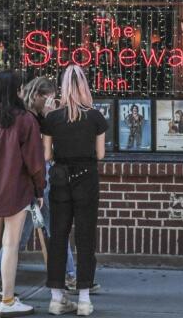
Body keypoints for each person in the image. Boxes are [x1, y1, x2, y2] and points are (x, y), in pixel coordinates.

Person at [0, 77, 81, 299]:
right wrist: (51, 118)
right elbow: (41, 149)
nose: (51, 102)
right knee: (45, 230)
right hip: (38, 179)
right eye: (48, 98)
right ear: (38, 96)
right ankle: (70, 275)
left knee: (40, 231)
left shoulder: (32, 115)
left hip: (38, 181)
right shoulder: (29, 117)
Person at [0, 71, 45, 317]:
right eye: (21, 88)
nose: (23, 91)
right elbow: (35, 162)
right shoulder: (26, 120)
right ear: (17, 91)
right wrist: (39, 188)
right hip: (17, 188)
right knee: (10, 245)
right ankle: (8, 300)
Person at [43, 65, 108, 316]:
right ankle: (83, 299)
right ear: (83, 86)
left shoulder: (52, 119)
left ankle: (56, 297)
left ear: (63, 87)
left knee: (58, 237)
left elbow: (47, 156)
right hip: (86, 178)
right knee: (85, 238)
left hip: (60, 179)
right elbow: (100, 155)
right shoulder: (95, 117)